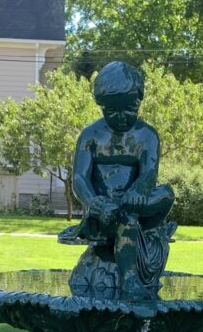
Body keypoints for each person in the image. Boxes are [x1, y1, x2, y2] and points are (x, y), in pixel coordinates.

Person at [59, 61, 176, 300]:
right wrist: (94, 202)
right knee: (125, 217)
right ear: (101, 106)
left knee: (166, 193)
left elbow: (149, 174)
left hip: (135, 204)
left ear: (139, 101)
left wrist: (139, 190)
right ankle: (128, 276)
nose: (122, 117)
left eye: (129, 109)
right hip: (101, 211)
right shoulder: (90, 135)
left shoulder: (147, 135)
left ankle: (141, 249)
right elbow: (79, 178)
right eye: (112, 111)